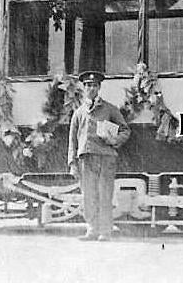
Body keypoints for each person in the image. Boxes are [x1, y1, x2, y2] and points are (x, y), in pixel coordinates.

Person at [68, 71, 131, 241]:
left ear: (99, 88)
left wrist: (113, 140)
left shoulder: (109, 109)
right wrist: (72, 163)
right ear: (84, 88)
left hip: (105, 158)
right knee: (89, 195)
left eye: (94, 85)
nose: (91, 88)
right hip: (86, 159)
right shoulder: (79, 112)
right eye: (88, 85)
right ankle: (92, 229)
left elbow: (125, 130)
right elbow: (72, 139)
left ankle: (105, 231)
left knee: (104, 194)